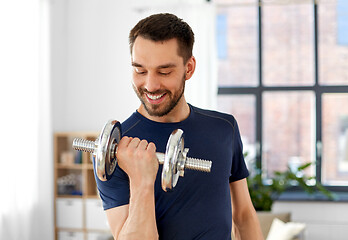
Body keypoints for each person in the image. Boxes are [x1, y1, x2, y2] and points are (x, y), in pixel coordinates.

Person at [95, 13, 263, 240]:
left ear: (189, 68)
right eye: (140, 70)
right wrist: (141, 181)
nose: (151, 85)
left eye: (164, 72)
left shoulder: (224, 129)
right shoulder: (116, 150)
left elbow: (243, 216)